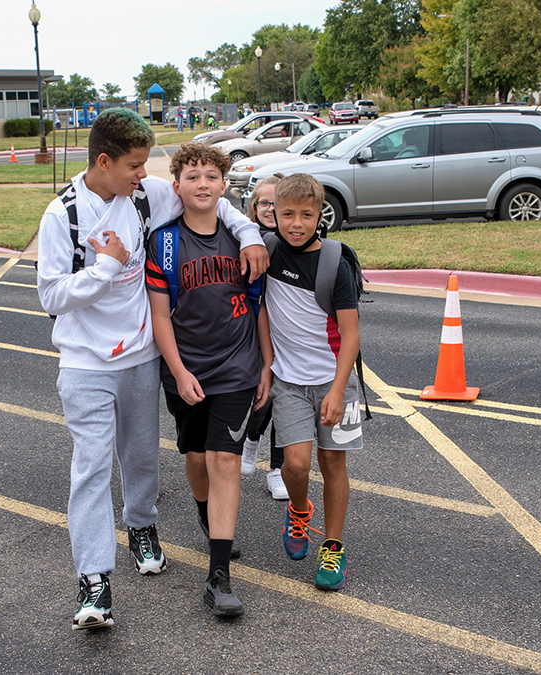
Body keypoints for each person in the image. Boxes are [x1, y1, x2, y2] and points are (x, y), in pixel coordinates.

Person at [35, 107, 267, 631]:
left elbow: (208, 199)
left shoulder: (145, 196)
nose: (146, 175)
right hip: (84, 362)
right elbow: (51, 295)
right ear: (103, 161)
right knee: (91, 468)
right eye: (136, 165)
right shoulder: (64, 216)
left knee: (141, 458)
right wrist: (106, 269)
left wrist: (248, 232)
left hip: (140, 358)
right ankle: (94, 582)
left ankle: (141, 525)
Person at [144, 143, 271, 617]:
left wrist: (266, 362)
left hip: (237, 367)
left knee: (224, 461)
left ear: (224, 185)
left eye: (211, 176)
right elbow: (160, 317)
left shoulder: (244, 240)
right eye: (193, 176)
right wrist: (178, 372)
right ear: (176, 185)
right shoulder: (165, 243)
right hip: (186, 369)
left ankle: (219, 576)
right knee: (196, 458)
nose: (202, 184)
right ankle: (205, 513)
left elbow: (258, 307)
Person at [260, 173, 361, 592]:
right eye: (287, 214)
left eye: (306, 214)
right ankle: (299, 511)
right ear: (273, 215)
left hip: (337, 380)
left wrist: (338, 390)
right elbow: (260, 309)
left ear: (321, 215)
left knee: (333, 463)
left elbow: (351, 333)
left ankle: (333, 547)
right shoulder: (264, 252)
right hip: (288, 382)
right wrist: (267, 363)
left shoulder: (334, 262)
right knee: (295, 464)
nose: (296, 223)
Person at [240, 175, 288, 500]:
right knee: (265, 392)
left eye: (277, 203)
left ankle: (277, 470)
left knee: (285, 401)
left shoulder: (296, 238)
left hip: (288, 333)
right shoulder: (245, 239)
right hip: (257, 331)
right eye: (264, 203)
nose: (270, 209)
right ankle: (251, 435)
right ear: (253, 207)